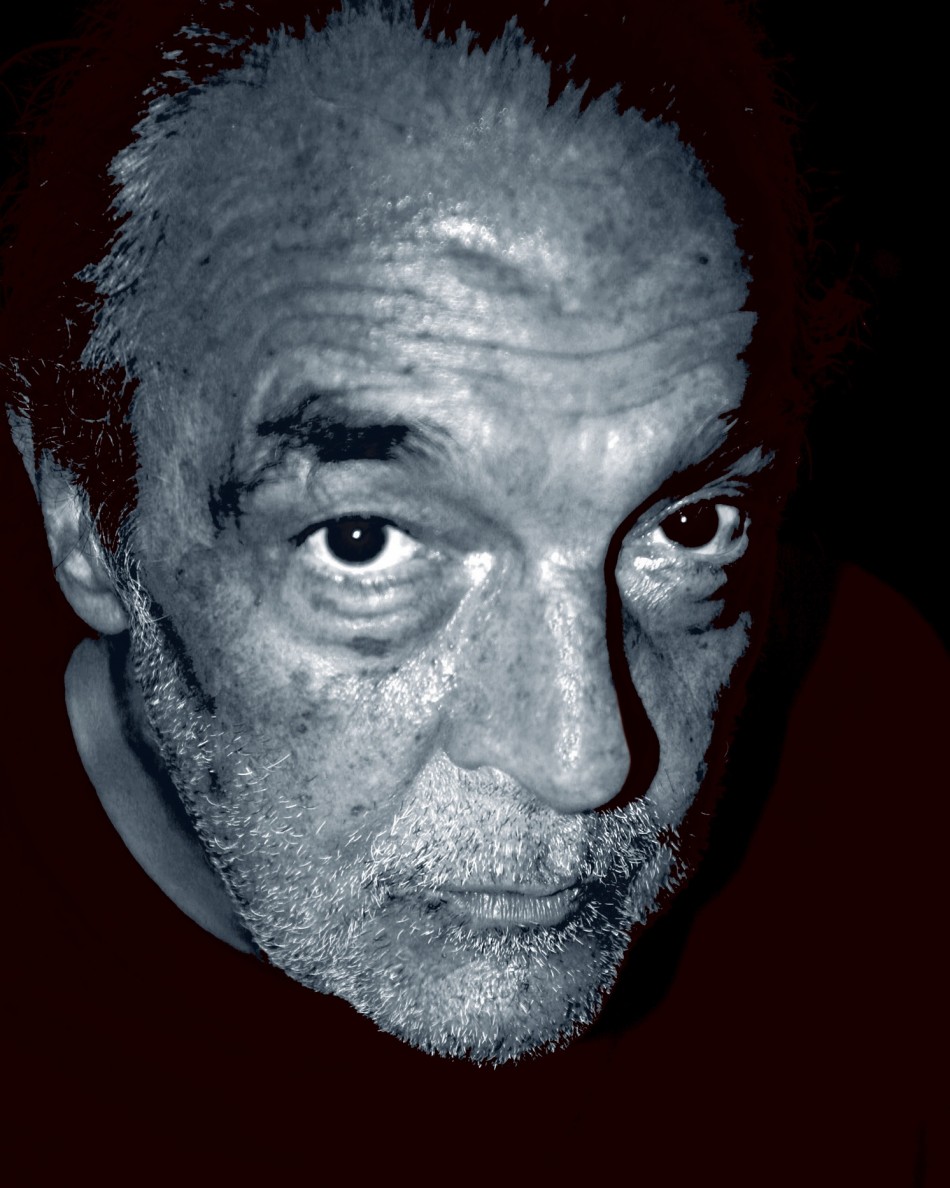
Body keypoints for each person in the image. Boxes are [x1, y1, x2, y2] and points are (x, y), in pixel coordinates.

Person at [1, 1, 943, 1179]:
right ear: (87, 520)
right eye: (363, 542)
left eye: (688, 527)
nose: (584, 760)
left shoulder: (879, 770)